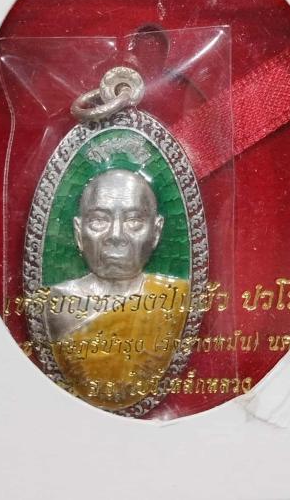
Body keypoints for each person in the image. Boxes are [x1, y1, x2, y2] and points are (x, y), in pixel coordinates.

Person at [42, 169, 188, 411]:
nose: (116, 236)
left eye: (134, 221)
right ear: (78, 232)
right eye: (99, 220)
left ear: (156, 231)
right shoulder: (54, 304)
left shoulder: (175, 298)